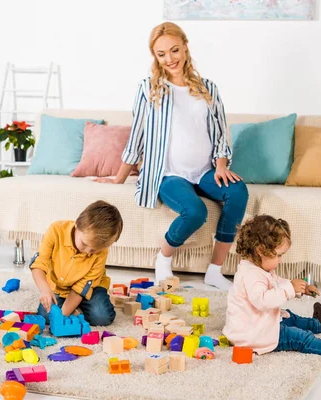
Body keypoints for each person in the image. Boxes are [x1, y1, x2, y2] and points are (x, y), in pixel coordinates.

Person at [96, 22, 248, 290]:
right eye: (161, 54)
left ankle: (215, 270)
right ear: (154, 56)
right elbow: (138, 136)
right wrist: (119, 178)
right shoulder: (149, 89)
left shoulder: (208, 88)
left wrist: (222, 165)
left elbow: (222, 132)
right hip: (168, 174)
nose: (170, 59)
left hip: (204, 172)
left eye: (175, 50)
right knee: (195, 211)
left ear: (186, 47)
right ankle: (163, 259)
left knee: (237, 192)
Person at [223, 215, 321, 361]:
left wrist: (300, 288)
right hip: (252, 336)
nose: (280, 261)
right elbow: (263, 301)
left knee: (288, 316)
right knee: (300, 337)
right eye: (279, 255)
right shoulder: (250, 276)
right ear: (261, 250)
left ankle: (319, 325)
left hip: (259, 324)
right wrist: (289, 289)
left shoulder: (259, 269)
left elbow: (277, 282)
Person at [29, 200, 123, 326]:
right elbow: (38, 264)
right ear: (77, 226)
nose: (88, 252)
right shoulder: (56, 231)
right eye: (84, 244)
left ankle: (80, 307)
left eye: (94, 250)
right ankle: (77, 309)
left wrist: (62, 317)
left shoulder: (102, 252)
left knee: (101, 317)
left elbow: (81, 288)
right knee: (46, 317)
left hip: (90, 288)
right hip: (58, 287)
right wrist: (44, 289)